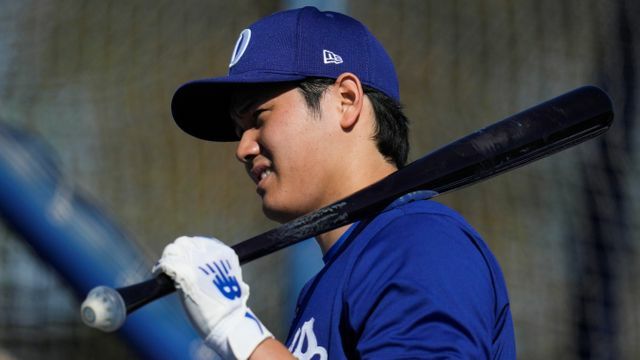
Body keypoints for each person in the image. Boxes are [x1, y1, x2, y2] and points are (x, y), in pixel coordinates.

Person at [155, 6, 516, 360]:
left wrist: (240, 333)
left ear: (346, 100)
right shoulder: (330, 283)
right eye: (239, 130)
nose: (243, 148)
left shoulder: (420, 242)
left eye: (258, 118)